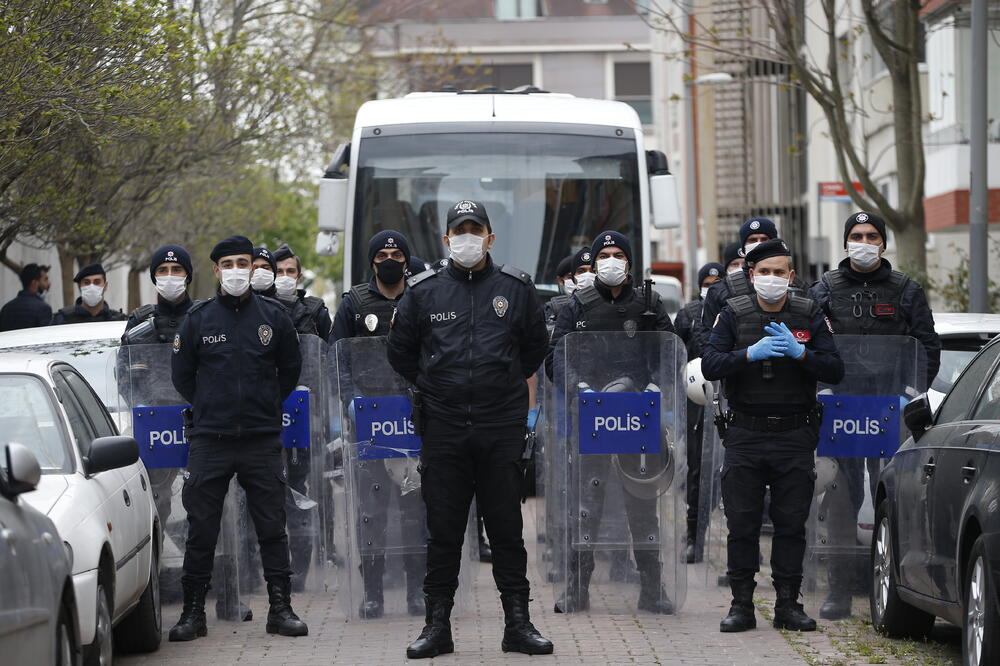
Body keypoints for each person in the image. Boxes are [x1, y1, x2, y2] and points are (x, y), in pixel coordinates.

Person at [387, 200, 552, 658]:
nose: (467, 237)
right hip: (443, 428)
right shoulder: (423, 291)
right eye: (459, 230)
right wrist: (435, 385)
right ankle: (436, 626)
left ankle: (518, 624)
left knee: (505, 529)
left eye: (475, 229)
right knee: (443, 532)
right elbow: (400, 354)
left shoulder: (516, 289)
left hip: (500, 427)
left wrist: (500, 384)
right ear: (446, 240)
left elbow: (535, 348)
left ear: (490, 237)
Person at [168, 235, 307, 642]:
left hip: (261, 438)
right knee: (201, 528)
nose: (234, 270)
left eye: (241, 263)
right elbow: (182, 376)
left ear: (252, 267)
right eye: (226, 263)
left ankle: (281, 608)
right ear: (215, 270)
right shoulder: (198, 319)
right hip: (211, 439)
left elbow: (290, 370)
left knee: (271, 525)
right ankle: (194, 612)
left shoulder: (274, 316)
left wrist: (264, 404)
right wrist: (212, 406)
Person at [701, 239, 844, 633]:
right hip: (745, 434)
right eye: (764, 272)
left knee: (791, 524)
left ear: (791, 276)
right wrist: (748, 354)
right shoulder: (732, 313)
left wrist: (801, 355)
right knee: (742, 524)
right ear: (751, 276)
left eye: (779, 272)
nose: (772, 279)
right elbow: (709, 364)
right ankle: (741, 605)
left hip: (794, 433)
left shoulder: (809, 311)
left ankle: (788, 604)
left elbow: (834, 368)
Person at [807, 211, 941, 619]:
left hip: (890, 412)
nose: (863, 242)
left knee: (893, 498)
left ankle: (898, 588)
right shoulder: (825, 289)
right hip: (841, 412)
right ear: (845, 241)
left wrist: (908, 394)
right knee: (842, 501)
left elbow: (927, 347)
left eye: (871, 236)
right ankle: (840, 591)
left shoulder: (906, 291)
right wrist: (823, 390)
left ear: (883, 243)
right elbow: (808, 341)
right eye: (856, 235)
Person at [545, 230, 677, 616]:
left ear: (630, 262)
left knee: (642, 504)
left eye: (619, 254)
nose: (612, 260)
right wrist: (579, 390)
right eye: (604, 254)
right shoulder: (576, 305)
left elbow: (670, 351)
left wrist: (655, 385)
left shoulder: (649, 302)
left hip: (638, 416)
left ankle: (652, 588)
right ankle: (577, 588)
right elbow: (557, 358)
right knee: (587, 504)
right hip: (592, 415)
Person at [332, 230, 426, 617]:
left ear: (407, 259)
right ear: (372, 261)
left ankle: (417, 593)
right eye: (382, 253)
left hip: (413, 422)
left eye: (397, 253)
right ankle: (372, 592)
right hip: (369, 422)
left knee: (414, 512)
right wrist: (351, 400)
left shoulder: (421, 298)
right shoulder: (354, 304)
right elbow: (338, 359)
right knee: (371, 512)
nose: (390, 259)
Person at [120, 245, 196, 528]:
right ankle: (159, 564)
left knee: (209, 498)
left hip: (199, 421)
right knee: (157, 500)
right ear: (154, 277)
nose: (170, 276)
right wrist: (142, 407)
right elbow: (125, 375)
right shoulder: (140, 321)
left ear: (187, 275)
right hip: (156, 425)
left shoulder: (204, 316)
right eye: (162, 271)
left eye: (176, 270)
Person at [673, 261, 724, 563]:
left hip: (729, 401)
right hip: (696, 404)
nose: (713, 285)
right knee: (697, 470)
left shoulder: (735, 309)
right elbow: (674, 355)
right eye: (708, 280)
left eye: (719, 279)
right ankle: (694, 536)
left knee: (721, 475)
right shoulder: (689, 315)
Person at [699, 218, 779, 346]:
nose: (759, 244)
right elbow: (708, 345)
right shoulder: (720, 290)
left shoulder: (791, 285)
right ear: (743, 246)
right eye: (752, 240)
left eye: (765, 239)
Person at [272, 243, 331, 341]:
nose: (285, 276)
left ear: (298, 277)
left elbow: (328, 348)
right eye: (279, 271)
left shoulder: (317, 311)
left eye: (290, 271)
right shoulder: (263, 307)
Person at [51, 263, 127, 324]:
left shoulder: (118, 321)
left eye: (97, 282)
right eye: (86, 282)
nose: (92, 286)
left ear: (105, 286)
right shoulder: (61, 319)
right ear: (79, 286)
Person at [0, 263, 52, 331]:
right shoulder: (43, 309)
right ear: (34, 283)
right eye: (45, 280)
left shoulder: (6, 309)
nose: (49, 283)